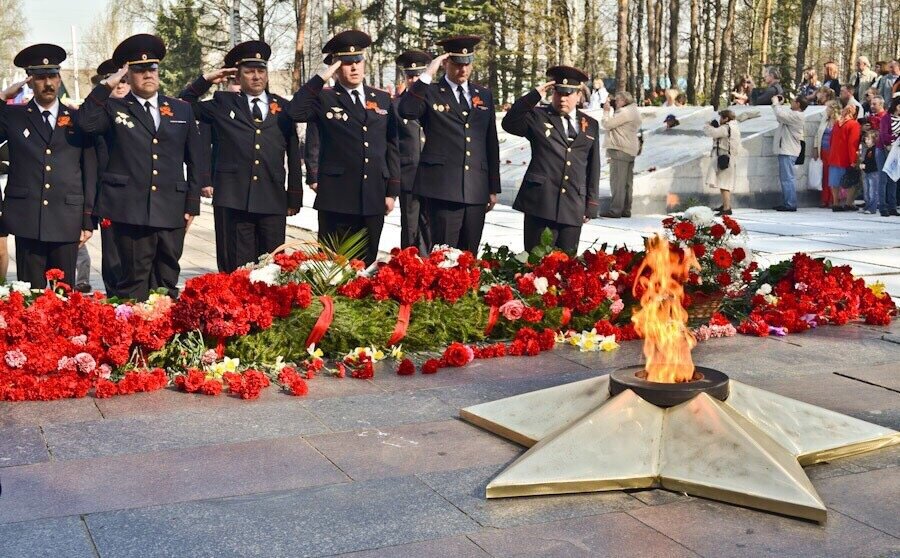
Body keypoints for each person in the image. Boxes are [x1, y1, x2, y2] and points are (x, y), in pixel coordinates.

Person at [78, 34, 208, 301]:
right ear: (128, 74)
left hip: (170, 208)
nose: (147, 74)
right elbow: (85, 124)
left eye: (152, 69)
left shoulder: (180, 109)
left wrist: (192, 204)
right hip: (130, 211)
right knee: (132, 283)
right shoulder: (113, 107)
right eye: (138, 70)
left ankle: (168, 339)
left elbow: (196, 159)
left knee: (167, 280)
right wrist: (106, 85)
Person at [180, 40, 302, 272]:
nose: (256, 76)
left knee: (273, 267)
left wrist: (294, 194)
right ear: (237, 76)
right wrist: (206, 80)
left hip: (272, 196)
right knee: (236, 266)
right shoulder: (223, 104)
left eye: (261, 70)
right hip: (234, 198)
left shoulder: (283, 107)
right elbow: (183, 103)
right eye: (249, 71)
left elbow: (293, 152)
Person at [288, 30, 400, 265]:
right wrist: (322, 76)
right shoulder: (324, 98)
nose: (354, 68)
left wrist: (392, 191)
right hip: (337, 197)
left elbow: (391, 145)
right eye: (347, 63)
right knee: (332, 266)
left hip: (373, 195)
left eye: (358, 61)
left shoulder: (380, 98)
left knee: (367, 264)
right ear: (337, 66)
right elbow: (295, 111)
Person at [0, 44, 96, 288]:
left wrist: (87, 218)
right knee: (31, 296)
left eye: (52, 75)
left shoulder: (77, 119)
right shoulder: (14, 116)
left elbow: (88, 170)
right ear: (30, 81)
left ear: (59, 77)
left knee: (64, 295)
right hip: (27, 218)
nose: (48, 83)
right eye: (40, 77)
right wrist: (2, 98)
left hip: (67, 217)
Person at [397, 35, 501, 254]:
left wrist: (493, 187)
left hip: (475, 188)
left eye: (467, 63)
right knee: (442, 256)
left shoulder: (483, 95)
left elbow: (490, 142)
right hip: (442, 189)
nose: (463, 69)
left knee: (468, 258)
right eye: (457, 63)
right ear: (445, 63)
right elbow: (406, 109)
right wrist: (427, 75)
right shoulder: (431, 91)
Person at [502, 65, 600, 251]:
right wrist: (534, 96)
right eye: (558, 93)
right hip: (541, 203)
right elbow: (510, 123)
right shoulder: (538, 117)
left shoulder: (590, 125)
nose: (562, 98)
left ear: (578, 95)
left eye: (568, 94)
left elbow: (593, 166)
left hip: (573, 204)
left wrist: (591, 203)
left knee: (567, 268)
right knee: (537, 266)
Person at [89, 59, 129, 296]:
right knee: (114, 255)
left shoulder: (145, 111)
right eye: (115, 81)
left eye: (124, 79)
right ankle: (115, 300)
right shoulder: (98, 113)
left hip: (141, 195)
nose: (121, 85)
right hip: (109, 197)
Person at [392, 50, 431, 253]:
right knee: (410, 227)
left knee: (431, 227)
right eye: (410, 76)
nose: (414, 80)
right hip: (409, 176)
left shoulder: (436, 102)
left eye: (418, 75)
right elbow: (392, 143)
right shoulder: (397, 106)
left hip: (434, 175)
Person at [600, 90, 641, 218]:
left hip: (619, 149)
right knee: (627, 182)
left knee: (617, 181)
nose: (615, 102)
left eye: (617, 100)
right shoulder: (634, 111)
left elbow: (607, 124)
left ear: (624, 101)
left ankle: (615, 210)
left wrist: (606, 111)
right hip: (629, 149)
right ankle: (626, 209)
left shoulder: (624, 112)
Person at [703, 110, 743, 216]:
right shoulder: (733, 126)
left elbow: (711, 133)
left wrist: (708, 124)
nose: (720, 119)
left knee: (724, 184)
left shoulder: (726, 128)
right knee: (723, 183)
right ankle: (725, 205)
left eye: (721, 117)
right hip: (728, 157)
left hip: (724, 158)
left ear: (726, 118)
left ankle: (726, 208)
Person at [771, 95, 807, 211]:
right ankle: (787, 202)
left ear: (798, 104)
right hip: (786, 149)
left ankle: (790, 204)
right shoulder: (794, 115)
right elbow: (781, 117)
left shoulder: (798, 116)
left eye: (793, 101)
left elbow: (780, 115)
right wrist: (778, 105)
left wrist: (776, 103)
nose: (791, 103)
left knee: (787, 178)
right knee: (786, 178)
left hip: (789, 150)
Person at [827, 104, 861, 211]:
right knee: (852, 180)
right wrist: (853, 160)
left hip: (834, 156)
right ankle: (848, 203)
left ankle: (836, 203)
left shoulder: (837, 123)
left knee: (834, 181)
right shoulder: (854, 124)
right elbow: (852, 144)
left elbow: (831, 140)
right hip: (846, 158)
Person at [812, 100, 841, 207]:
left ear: (833, 109)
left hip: (834, 152)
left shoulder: (839, 121)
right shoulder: (824, 119)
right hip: (823, 150)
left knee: (833, 176)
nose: (826, 110)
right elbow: (817, 134)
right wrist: (815, 148)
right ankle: (825, 199)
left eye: (828, 108)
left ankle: (834, 199)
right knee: (824, 175)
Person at [877, 97, 900, 216]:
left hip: (895, 151)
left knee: (893, 178)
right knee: (883, 178)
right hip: (883, 150)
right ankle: (882, 207)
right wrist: (896, 138)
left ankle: (892, 207)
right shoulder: (886, 118)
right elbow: (884, 135)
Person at [860, 130, 879, 214]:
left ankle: (872, 208)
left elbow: (875, 163)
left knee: (873, 191)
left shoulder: (875, 150)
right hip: (868, 172)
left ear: (874, 139)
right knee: (867, 190)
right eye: (865, 139)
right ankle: (867, 206)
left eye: (868, 139)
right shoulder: (869, 149)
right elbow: (867, 160)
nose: (866, 141)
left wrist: (866, 166)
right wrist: (863, 164)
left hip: (874, 173)